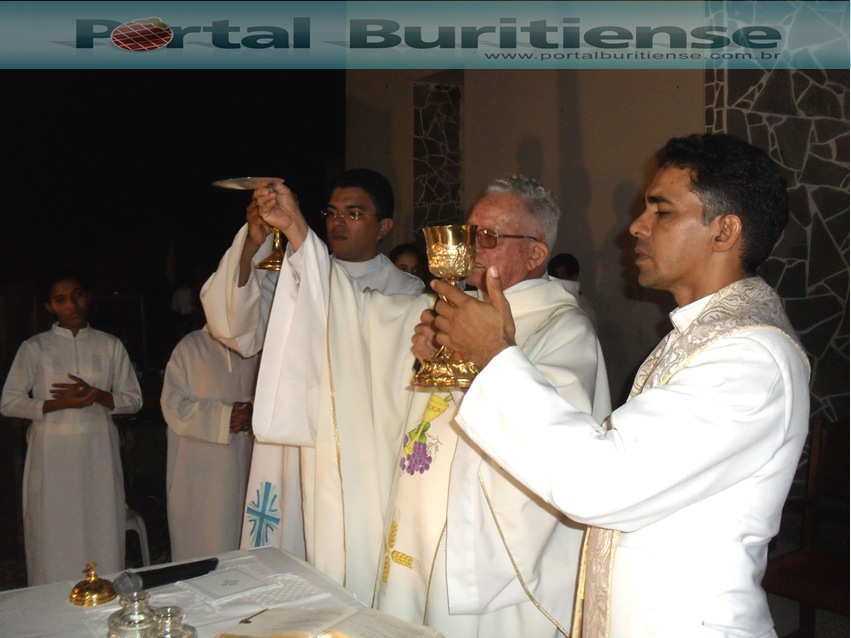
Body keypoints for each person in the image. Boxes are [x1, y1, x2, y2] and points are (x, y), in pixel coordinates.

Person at [429, 133, 811, 637]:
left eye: (662, 211)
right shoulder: (698, 337)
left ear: (724, 231)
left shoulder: (749, 357)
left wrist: (496, 357)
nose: (637, 226)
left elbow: (600, 483)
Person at [217, 173, 610, 637]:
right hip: (411, 535)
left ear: (535, 253)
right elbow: (353, 315)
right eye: (468, 233)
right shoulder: (447, 308)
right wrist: (300, 234)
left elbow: (552, 449)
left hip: (476, 569)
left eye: (487, 237)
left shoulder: (563, 330)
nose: (469, 247)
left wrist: (469, 365)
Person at [200, 168, 424, 586]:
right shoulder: (294, 273)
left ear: (384, 227)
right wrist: (251, 244)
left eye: (354, 213)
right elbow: (235, 329)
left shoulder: (406, 291)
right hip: (289, 439)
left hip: (355, 446)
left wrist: (300, 238)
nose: (338, 222)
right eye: (332, 212)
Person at [0, 272, 143, 585]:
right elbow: (9, 403)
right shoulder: (35, 348)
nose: (71, 305)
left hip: (98, 452)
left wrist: (98, 395)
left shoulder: (109, 345)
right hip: (52, 454)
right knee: (53, 528)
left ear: (88, 296)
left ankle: (104, 592)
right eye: (61, 300)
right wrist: (57, 404)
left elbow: (133, 400)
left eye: (77, 295)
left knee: (101, 522)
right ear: (49, 306)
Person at [160, 325, 260, 561]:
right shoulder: (190, 347)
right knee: (201, 546)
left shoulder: (254, 349)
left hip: (245, 465)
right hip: (199, 474)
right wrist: (224, 416)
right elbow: (172, 406)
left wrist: (251, 414)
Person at [548, 252, 598, 330]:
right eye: (552, 278)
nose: (556, 283)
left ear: (573, 277)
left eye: (560, 279)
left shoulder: (584, 309)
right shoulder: (547, 301)